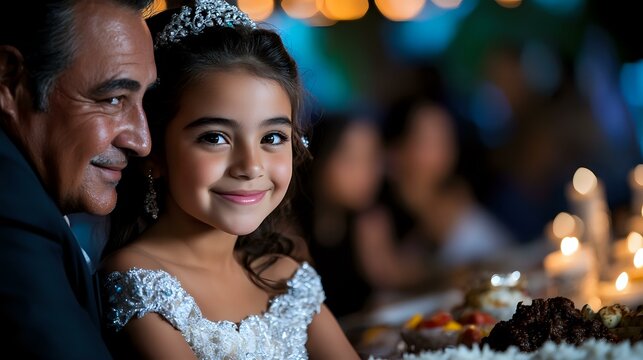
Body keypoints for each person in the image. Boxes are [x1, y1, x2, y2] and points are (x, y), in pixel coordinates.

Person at [99, 1, 359, 358]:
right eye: (215, 138)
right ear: (155, 152)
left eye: (272, 138)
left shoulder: (284, 277)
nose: (250, 166)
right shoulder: (140, 278)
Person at [0, 0, 156, 358]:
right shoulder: (12, 215)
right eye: (113, 99)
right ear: (9, 80)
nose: (142, 141)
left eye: (143, 100)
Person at [292, 112, 383, 318]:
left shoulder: (366, 221)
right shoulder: (290, 234)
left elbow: (389, 277)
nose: (366, 173)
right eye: (351, 160)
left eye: (372, 158)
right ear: (319, 159)